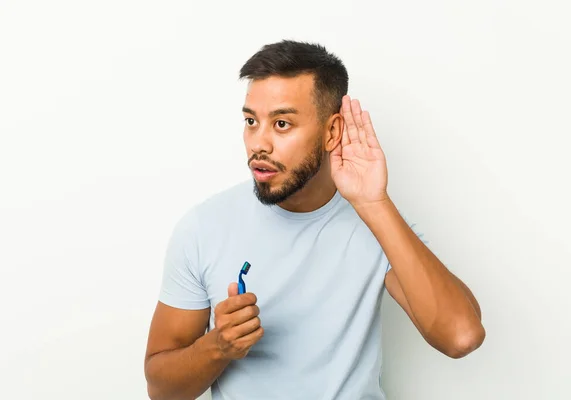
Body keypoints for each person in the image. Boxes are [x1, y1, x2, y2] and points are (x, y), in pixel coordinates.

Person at [144, 39, 485, 400]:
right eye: (250, 121)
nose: (259, 144)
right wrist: (218, 347)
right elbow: (161, 389)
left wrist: (373, 202)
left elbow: (461, 336)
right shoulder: (203, 228)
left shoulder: (375, 222)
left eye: (282, 124)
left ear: (332, 132)